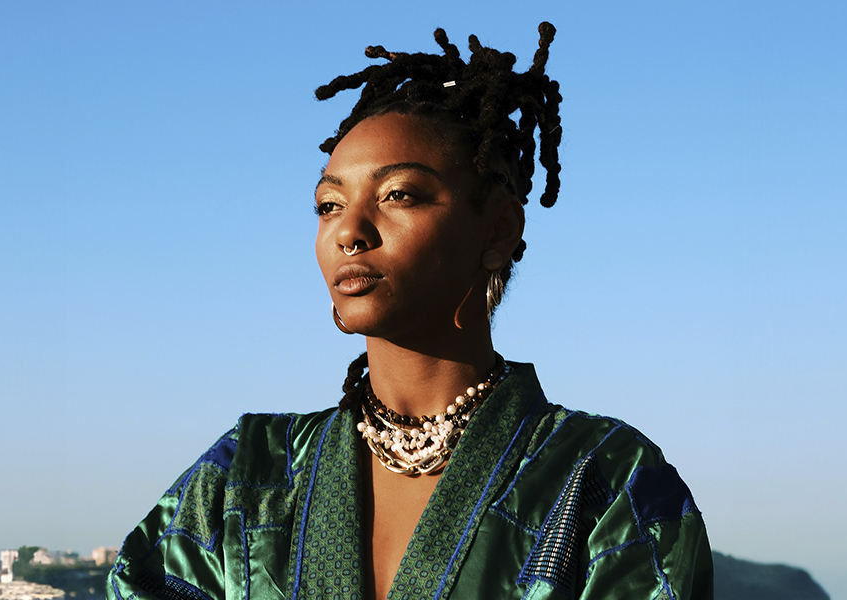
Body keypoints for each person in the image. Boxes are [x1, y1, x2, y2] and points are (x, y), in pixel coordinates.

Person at [108, 23, 712, 600]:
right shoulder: (246, 477)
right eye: (328, 203)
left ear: (499, 228)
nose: (349, 230)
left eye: (398, 194)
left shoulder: (607, 480)